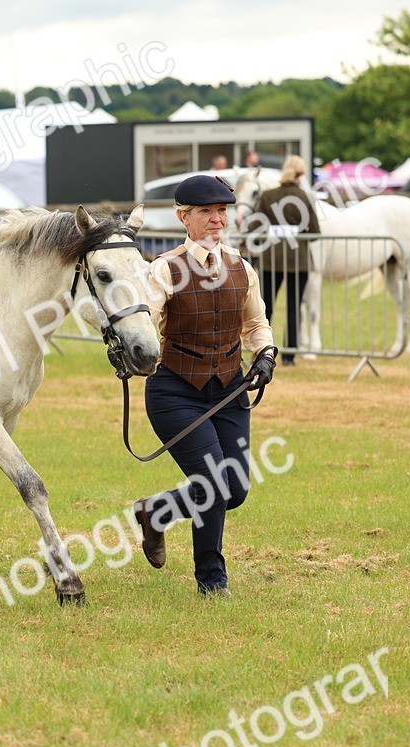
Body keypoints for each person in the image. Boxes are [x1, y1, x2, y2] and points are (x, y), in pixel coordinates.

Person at [131, 174, 277, 597]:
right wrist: (136, 356)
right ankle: (212, 581)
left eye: (221, 211)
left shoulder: (241, 267)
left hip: (230, 390)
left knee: (236, 490)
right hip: (174, 391)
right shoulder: (164, 269)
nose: (216, 220)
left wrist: (265, 354)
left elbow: (255, 323)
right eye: (205, 212)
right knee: (213, 482)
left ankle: (156, 511)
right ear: (184, 217)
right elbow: (143, 323)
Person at [251, 155, 319, 367]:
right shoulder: (304, 197)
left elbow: (254, 227)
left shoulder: (268, 196)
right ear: (302, 173)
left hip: (271, 261)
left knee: (266, 308)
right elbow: (315, 231)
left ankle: (263, 352)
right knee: (293, 308)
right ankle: (289, 356)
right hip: (298, 263)